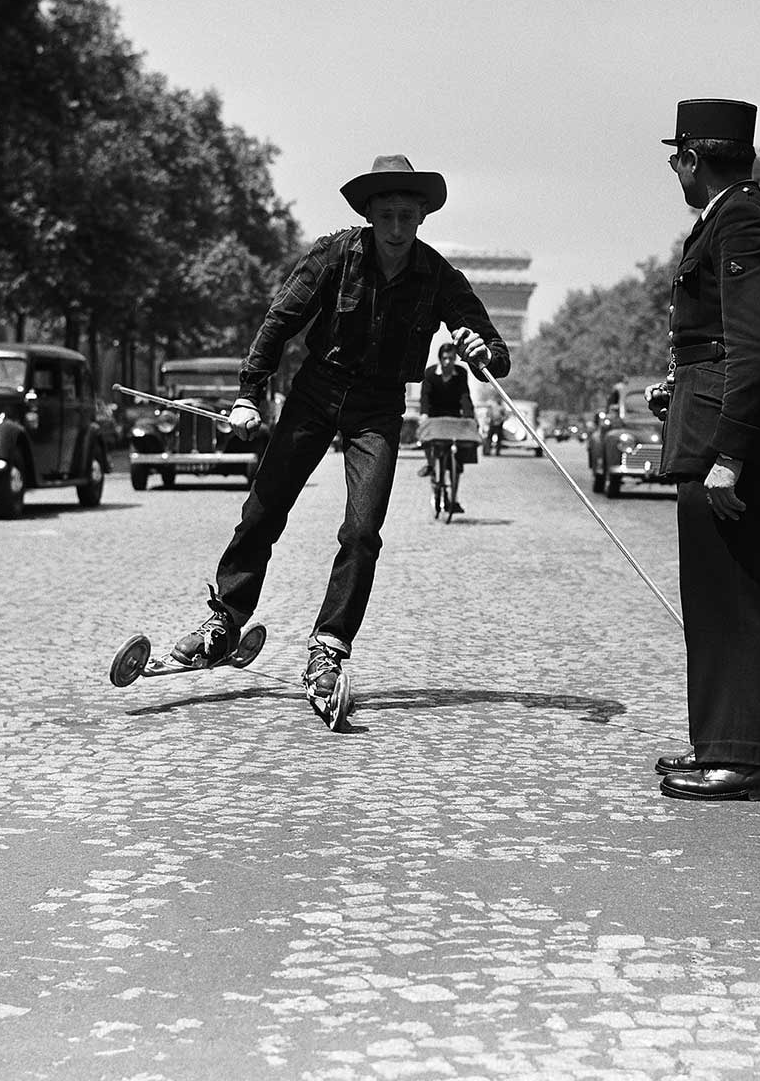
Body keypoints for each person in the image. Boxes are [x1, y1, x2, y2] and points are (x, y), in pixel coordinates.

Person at [169, 154, 509, 723]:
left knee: (362, 530)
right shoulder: (334, 255)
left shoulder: (439, 276)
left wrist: (483, 354)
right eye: (387, 216)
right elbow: (280, 322)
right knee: (264, 509)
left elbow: (493, 347)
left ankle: (328, 647)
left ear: (422, 217)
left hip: (378, 408)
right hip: (315, 392)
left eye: (407, 215)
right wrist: (249, 393)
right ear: (370, 215)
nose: (397, 228)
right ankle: (226, 617)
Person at [648, 98, 760, 801]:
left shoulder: (738, 220)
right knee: (712, 599)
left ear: (691, 160)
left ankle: (741, 758)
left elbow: (751, 345)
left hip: (726, 442)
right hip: (709, 423)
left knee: (732, 598)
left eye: (677, 160)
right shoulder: (732, 215)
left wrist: (730, 453)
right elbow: (715, 346)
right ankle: (720, 740)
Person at [417, 341, 475, 514]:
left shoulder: (461, 374)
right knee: (428, 441)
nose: (448, 362)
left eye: (451, 358)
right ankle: (430, 465)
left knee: (457, 458)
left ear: (455, 358)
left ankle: (454, 497)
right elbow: (425, 397)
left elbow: (465, 396)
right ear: (440, 359)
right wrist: (424, 414)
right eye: (445, 358)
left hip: (453, 417)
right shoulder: (430, 374)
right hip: (434, 416)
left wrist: (469, 416)